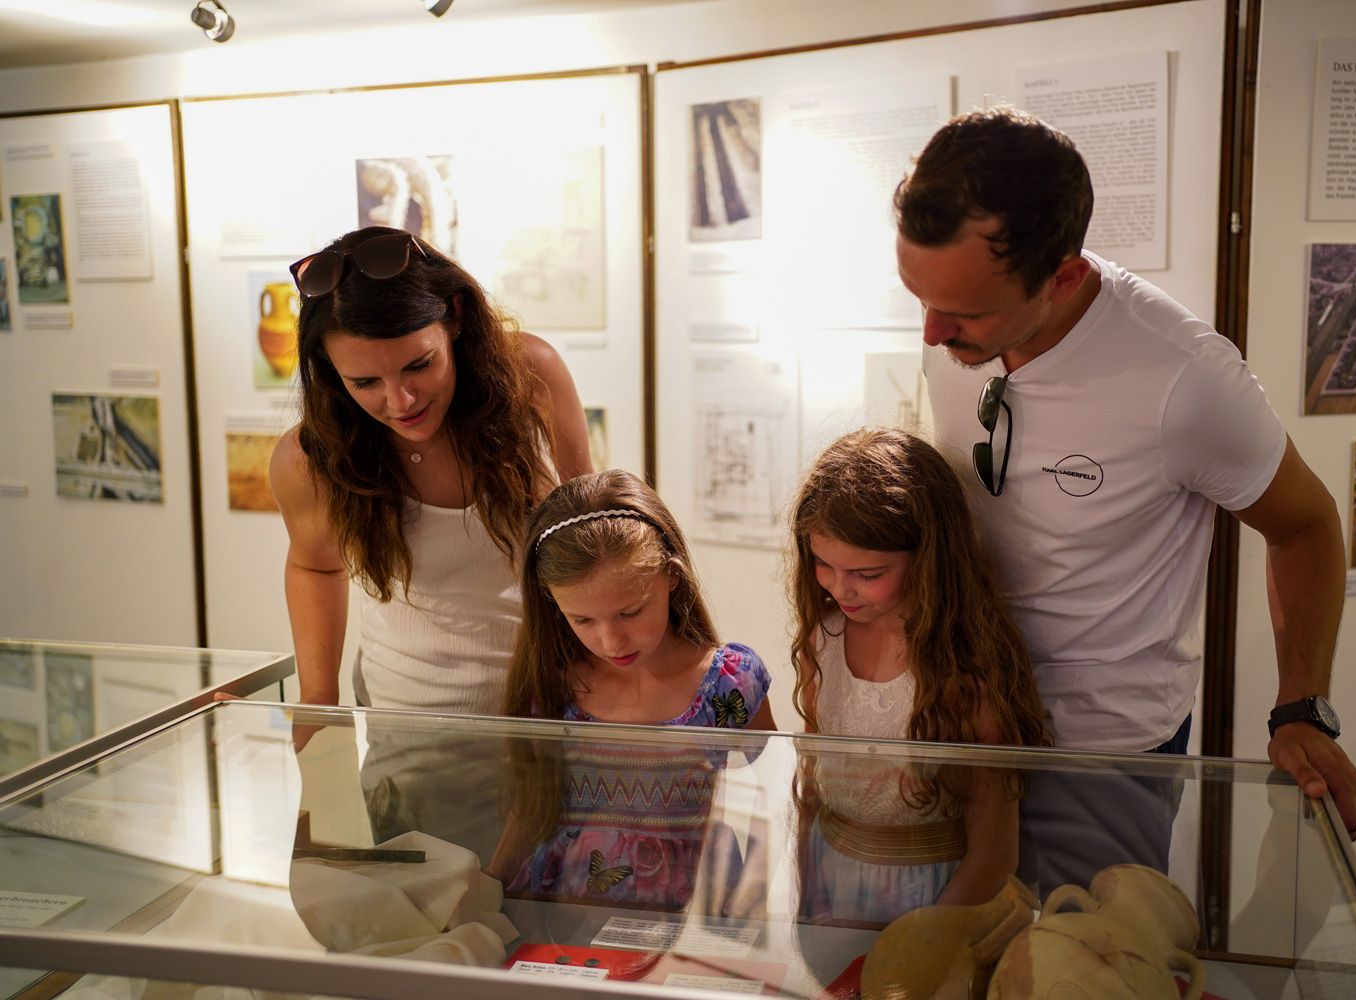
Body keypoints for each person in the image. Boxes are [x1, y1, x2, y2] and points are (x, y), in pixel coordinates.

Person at [891, 107, 1356, 845]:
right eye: (917, 297)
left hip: (1103, 750)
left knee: (1089, 958)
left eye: (962, 313)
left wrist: (1302, 708)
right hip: (961, 714)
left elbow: (1304, 525)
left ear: (1066, 276)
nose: (930, 333)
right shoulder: (955, 319)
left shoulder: (1184, 379)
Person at [270, 225, 591, 714]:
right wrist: (318, 696)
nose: (400, 402)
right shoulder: (311, 456)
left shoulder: (531, 376)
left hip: (551, 708)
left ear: (456, 316)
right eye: (365, 382)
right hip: (407, 725)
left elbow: (589, 531)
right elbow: (315, 564)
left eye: (419, 365)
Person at [788, 428, 1049, 924]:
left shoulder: (967, 668)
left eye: (868, 574)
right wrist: (802, 899)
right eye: (823, 563)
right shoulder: (824, 637)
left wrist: (925, 945)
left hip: (934, 896)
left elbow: (995, 853)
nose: (840, 588)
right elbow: (813, 787)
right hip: (831, 879)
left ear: (930, 560)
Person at [492, 470, 776, 909]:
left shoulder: (729, 684)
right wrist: (489, 891)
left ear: (672, 576)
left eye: (630, 612)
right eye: (582, 620)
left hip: (687, 925)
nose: (611, 642)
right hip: (561, 918)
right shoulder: (554, 682)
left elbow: (770, 807)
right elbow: (531, 806)